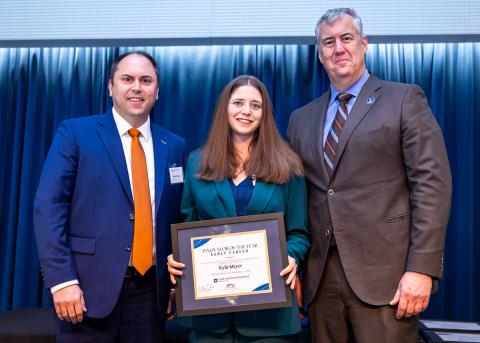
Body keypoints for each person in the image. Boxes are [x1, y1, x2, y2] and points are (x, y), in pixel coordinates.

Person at [287, 8, 452, 342]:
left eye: (346, 38)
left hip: (387, 283)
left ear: (364, 43)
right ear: (320, 55)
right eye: (328, 42)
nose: (338, 48)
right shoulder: (300, 119)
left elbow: (431, 186)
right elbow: (295, 198)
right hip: (321, 285)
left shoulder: (404, 99)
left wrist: (421, 269)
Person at [33, 51, 186, 342]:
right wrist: (62, 281)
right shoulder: (76, 133)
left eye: (146, 80)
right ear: (110, 87)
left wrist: (176, 288)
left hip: (151, 295)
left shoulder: (175, 145)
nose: (137, 87)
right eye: (127, 79)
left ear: (157, 90)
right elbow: (48, 208)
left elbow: (176, 219)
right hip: (86, 292)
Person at [167, 75, 310, 342]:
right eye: (239, 103)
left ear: (264, 113)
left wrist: (290, 256)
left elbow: (299, 233)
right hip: (208, 316)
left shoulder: (288, 165)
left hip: (269, 318)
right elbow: (187, 227)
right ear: (226, 108)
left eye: (255, 105)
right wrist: (177, 257)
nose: (246, 111)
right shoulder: (198, 163)